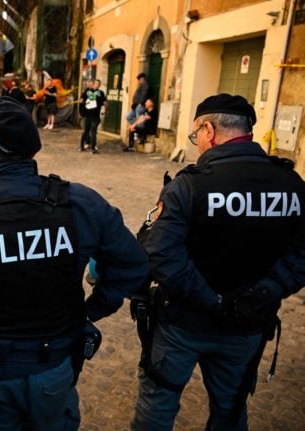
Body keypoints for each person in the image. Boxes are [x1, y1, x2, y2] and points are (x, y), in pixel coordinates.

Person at [0, 96, 150, 431]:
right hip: (56, 366)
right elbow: (134, 266)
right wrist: (92, 309)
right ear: (34, 153)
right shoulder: (80, 204)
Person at [131, 94, 305, 431]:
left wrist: (214, 302)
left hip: (183, 324)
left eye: (196, 136)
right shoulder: (292, 186)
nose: (197, 144)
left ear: (208, 130)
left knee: (158, 405)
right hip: (247, 324)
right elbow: (301, 255)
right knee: (230, 410)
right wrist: (263, 292)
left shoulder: (189, 186)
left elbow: (162, 255)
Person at [79, 79, 107, 153]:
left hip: (94, 115)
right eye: (96, 83)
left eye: (98, 84)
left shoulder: (100, 93)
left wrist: (106, 110)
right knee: (87, 131)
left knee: (92, 131)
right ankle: (84, 146)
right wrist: (81, 112)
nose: (96, 85)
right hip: (87, 115)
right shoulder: (88, 91)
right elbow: (81, 101)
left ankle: (91, 147)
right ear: (93, 84)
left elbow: (104, 103)